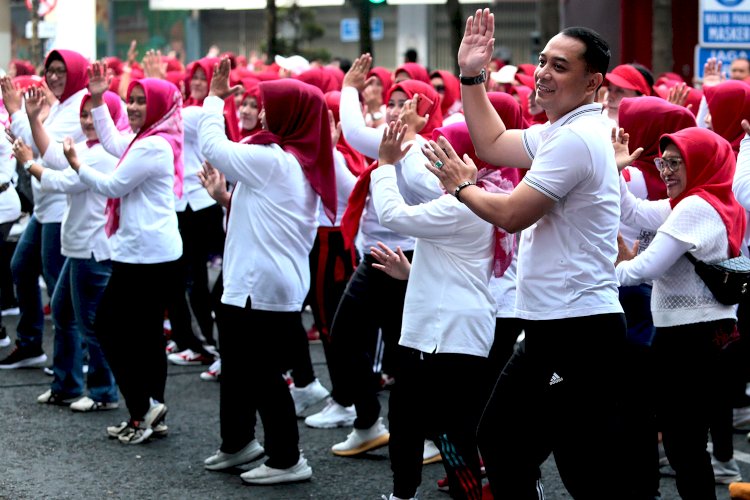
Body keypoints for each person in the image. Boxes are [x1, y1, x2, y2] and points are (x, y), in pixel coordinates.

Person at [428, 9, 633, 498]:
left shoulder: (576, 139)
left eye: (560, 66)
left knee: (577, 464)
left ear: (592, 84)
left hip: (579, 329)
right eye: (542, 61)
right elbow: (493, 142)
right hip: (554, 325)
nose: (543, 73)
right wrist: (472, 74)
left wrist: (462, 188)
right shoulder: (562, 130)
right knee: (502, 439)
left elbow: (512, 214)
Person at [199, 59, 335, 485]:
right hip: (255, 282)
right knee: (239, 369)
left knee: (259, 373)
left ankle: (287, 458)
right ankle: (238, 442)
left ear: (289, 115)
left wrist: (214, 98)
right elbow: (260, 218)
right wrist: (225, 200)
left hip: (262, 286)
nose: (259, 113)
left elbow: (212, 145)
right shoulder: (287, 161)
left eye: (266, 106)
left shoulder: (274, 160)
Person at [374, 114, 515, 499]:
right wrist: (412, 272)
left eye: (442, 153)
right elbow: (455, 260)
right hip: (440, 330)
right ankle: (403, 493)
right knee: (406, 422)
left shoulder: (464, 205)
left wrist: (385, 164)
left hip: (448, 335)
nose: (433, 162)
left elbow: (392, 215)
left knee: (451, 434)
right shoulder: (477, 195)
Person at [616, 127, 745, 500]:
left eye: (676, 163)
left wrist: (606, 274)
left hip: (691, 337)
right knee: (684, 442)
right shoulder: (709, 199)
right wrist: (616, 166)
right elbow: (634, 211)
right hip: (704, 333)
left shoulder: (694, 206)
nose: (666, 171)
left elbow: (646, 269)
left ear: (701, 164)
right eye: (663, 162)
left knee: (683, 444)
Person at [71, 63, 183, 444]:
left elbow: (114, 185)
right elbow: (113, 144)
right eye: (131, 101)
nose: (133, 108)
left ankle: (141, 408)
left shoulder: (152, 144)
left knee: (108, 325)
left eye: (141, 102)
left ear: (158, 107)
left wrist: (77, 167)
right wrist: (101, 98)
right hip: (150, 252)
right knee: (146, 333)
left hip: (145, 256)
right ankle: (152, 410)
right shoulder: (148, 137)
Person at [12, 87, 126, 411]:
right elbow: (57, 161)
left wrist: (29, 164)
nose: (88, 121)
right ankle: (67, 385)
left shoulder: (103, 154)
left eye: (94, 114)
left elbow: (63, 181)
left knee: (91, 323)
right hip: (78, 247)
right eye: (84, 114)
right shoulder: (89, 149)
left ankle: (104, 393)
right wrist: (33, 124)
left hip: (93, 248)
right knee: (62, 312)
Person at [0, 49, 89, 369]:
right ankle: (31, 343)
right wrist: (26, 118)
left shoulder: (78, 106)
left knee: (60, 290)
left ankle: (79, 359)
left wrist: (17, 112)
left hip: (60, 208)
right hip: (45, 205)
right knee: (21, 267)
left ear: (76, 73)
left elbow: (44, 150)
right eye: (49, 70)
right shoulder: (63, 104)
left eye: (61, 71)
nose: (52, 77)